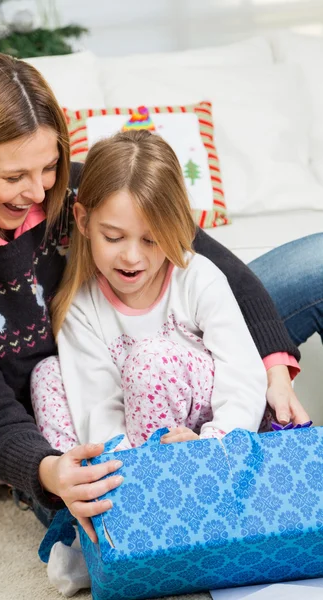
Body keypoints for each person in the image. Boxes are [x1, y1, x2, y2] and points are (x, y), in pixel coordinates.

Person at [0, 54, 307, 546]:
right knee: (123, 543)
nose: (38, 190)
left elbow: (221, 270)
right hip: (75, 441)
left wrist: (274, 367)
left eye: (49, 165)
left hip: (181, 367)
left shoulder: (81, 189)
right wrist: (51, 473)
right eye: (14, 176)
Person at [31, 129, 269, 456]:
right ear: (83, 221)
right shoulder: (81, 307)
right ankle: (89, 491)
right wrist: (125, 462)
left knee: (150, 360)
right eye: (114, 238)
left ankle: (168, 477)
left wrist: (211, 445)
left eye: (151, 240)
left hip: (209, 443)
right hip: (130, 452)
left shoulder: (197, 278)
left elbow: (243, 379)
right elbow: (97, 409)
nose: (131, 257)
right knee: (47, 376)